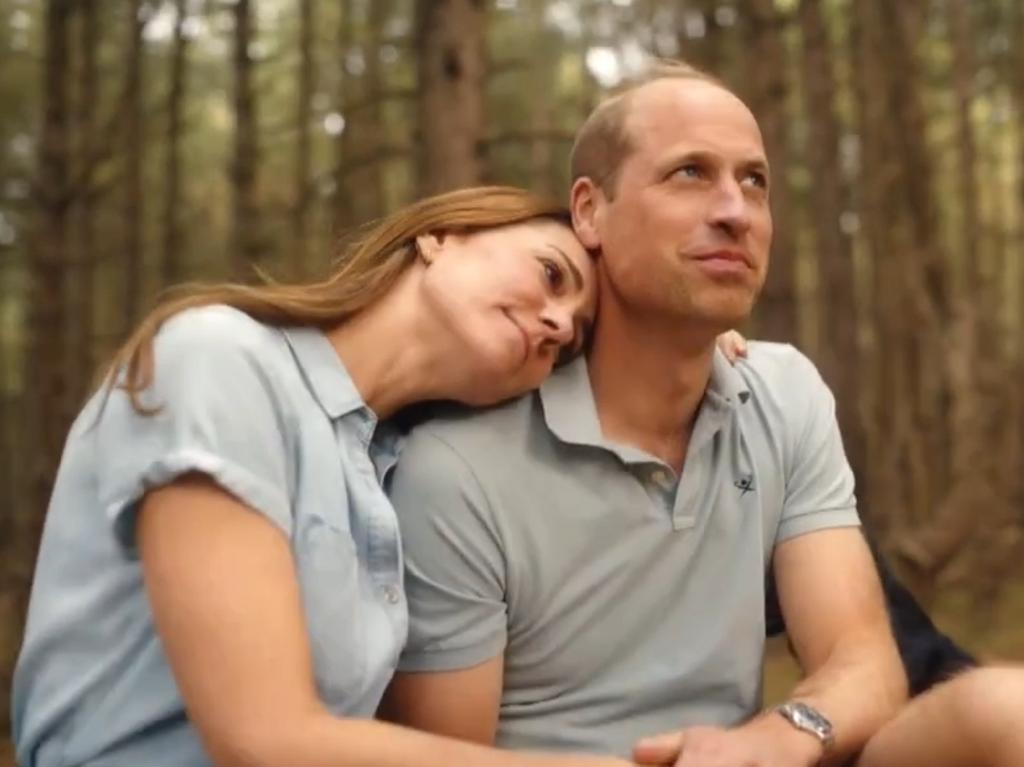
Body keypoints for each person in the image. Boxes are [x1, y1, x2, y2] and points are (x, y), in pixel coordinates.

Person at [381, 63, 908, 766]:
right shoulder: (456, 466)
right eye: (690, 173)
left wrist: (778, 738)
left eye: (754, 181)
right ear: (590, 211)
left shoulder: (784, 393)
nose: (735, 211)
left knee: (1001, 713)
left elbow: (864, 658)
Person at [11, 186, 647, 767]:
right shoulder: (219, 359)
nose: (559, 326)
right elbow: (261, 739)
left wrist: (704, 356)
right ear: (440, 236)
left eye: (570, 344)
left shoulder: (399, 473)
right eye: (550, 273)